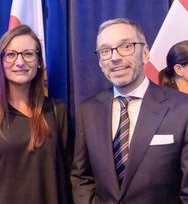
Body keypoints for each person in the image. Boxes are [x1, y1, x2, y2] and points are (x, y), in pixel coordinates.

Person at [70, 18, 188, 203]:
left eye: (126, 46)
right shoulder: (89, 110)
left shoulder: (182, 108)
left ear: (145, 54)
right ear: (100, 62)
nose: (115, 57)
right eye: (105, 51)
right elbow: (82, 177)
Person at [0, 25, 70, 204]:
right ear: (0, 61)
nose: (19, 62)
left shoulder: (57, 111)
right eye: (11, 55)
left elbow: (67, 178)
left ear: (39, 61)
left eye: (28, 54)